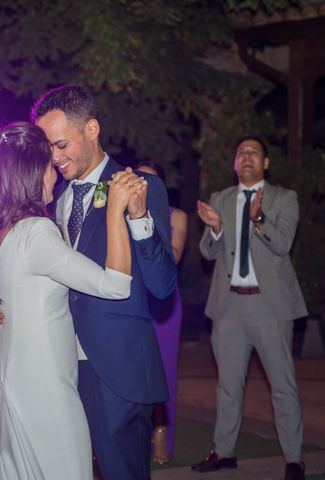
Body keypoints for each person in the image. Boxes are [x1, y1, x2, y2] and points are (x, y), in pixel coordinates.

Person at [0, 85, 178, 479]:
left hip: (115, 367)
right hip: (54, 365)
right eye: (47, 150)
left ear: (91, 129)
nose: (54, 158)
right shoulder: (50, 200)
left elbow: (162, 284)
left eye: (60, 145)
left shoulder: (138, 185)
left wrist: (138, 219)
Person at [0, 121, 142, 479]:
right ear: (31, 174)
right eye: (49, 166)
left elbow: (3, 299)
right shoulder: (35, 231)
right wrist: (114, 212)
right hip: (44, 385)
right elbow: (116, 285)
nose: (55, 175)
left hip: (5, 377)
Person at [193, 135, 307, 480]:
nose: (246, 157)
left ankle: (293, 459)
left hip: (269, 307)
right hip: (228, 308)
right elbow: (206, 252)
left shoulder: (284, 199)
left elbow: (283, 243)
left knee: (282, 386)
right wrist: (214, 229)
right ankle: (224, 452)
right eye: (241, 152)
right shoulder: (221, 199)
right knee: (228, 386)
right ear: (234, 163)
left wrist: (258, 220)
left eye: (254, 153)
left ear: (265, 163)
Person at [136, 161, 188, 464]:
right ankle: (131, 434)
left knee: (164, 371)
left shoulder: (176, 217)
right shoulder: (120, 213)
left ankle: (160, 434)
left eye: (151, 181)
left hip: (163, 304)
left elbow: (174, 256)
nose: (144, 185)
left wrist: (145, 219)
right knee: (130, 370)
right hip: (130, 300)